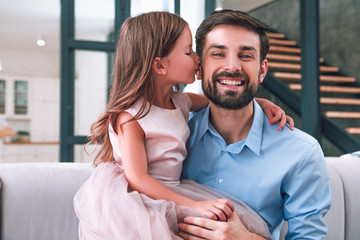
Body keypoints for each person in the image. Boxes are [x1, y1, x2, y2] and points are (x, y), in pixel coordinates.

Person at [73, 11, 294, 240]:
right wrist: (193, 204)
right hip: (142, 198)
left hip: (175, 189)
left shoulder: (181, 102)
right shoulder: (131, 117)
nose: (198, 59)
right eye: (189, 52)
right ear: (160, 66)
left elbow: (222, 97)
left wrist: (261, 102)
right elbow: (138, 179)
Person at [179, 9, 331, 240]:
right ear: (199, 68)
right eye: (218, 54)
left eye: (246, 56)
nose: (232, 67)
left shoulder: (301, 153)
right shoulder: (172, 134)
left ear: (262, 71)